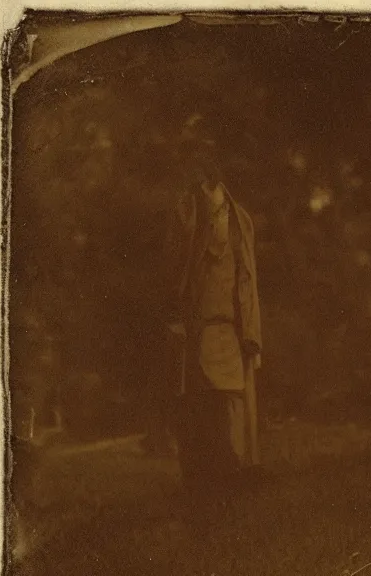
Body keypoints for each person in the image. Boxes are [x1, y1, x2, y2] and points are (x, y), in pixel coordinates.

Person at [163, 125, 263, 493]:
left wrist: (250, 331)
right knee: (196, 404)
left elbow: (247, 279)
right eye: (200, 161)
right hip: (197, 327)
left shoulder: (240, 220)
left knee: (231, 403)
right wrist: (175, 318)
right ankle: (201, 483)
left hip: (230, 328)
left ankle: (232, 478)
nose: (207, 167)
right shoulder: (186, 212)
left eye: (213, 160)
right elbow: (175, 270)